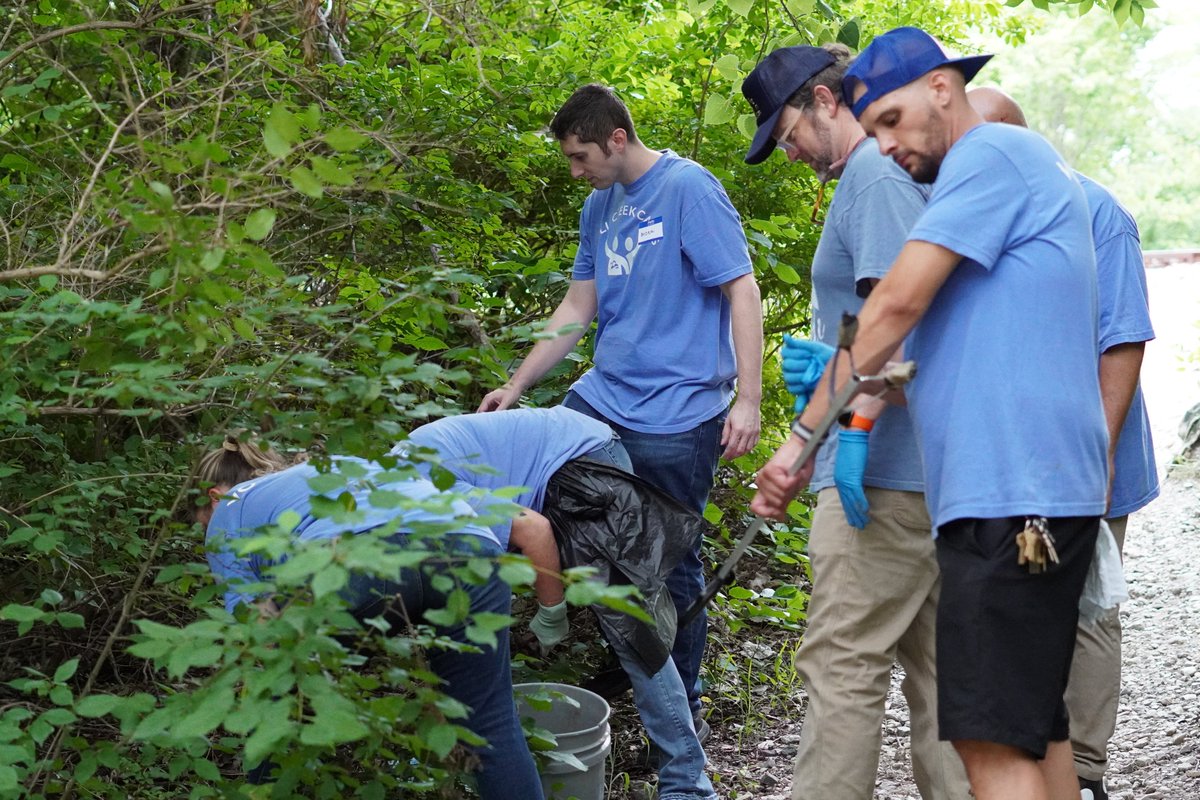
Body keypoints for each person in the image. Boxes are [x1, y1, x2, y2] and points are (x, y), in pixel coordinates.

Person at [752, 26, 1108, 800]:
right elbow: (961, 349)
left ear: (943, 88)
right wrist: (874, 387)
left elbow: (892, 307)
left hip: (1011, 491)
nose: (882, 146)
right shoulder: (1002, 170)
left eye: (890, 120)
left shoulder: (988, 156)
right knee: (1032, 731)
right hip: (1025, 488)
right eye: (871, 126)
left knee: (991, 748)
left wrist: (801, 441)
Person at [478, 83, 765, 730]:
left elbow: (741, 291)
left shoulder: (689, 189)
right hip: (603, 400)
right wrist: (518, 383)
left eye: (581, 157)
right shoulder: (599, 206)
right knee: (575, 521)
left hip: (679, 413)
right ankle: (622, 655)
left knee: (670, 562)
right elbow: (579, 306)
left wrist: (747, 400)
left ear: (616, 138)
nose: (576, 173)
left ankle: (678, 703)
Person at [741, 44, 969, 800]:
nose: (791, 152)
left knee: (841, 669)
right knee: (943, 684)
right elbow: (881, 320)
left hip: (882, 478)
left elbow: (897, 317)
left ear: (825, 101)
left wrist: (831, 430)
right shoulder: (876, 176)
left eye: (789, 133)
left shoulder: (872, 176)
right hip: (925, 472)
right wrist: (828, 366)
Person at [968, 85, 1160, 800]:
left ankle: (1083, 770)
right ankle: (1027, 757)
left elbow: (1123, 342)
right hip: (1012, 458)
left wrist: (1097, 454)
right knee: (1023, 597)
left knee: (1085, 603)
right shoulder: (977, 211)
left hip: (1089, 452)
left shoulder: (1098, 211)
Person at [198, 436, 547, 800]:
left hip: (359, 558)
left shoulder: (230, 507)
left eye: (200, 523)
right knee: (489, 721)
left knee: (274, 690)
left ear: (213, 497)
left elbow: (261, 637)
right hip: (474, 547)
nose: (205, 531)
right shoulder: (339, 464)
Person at [399, 407, 718, 800]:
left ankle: (688, 784)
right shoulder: (384, 493)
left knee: (632, 630)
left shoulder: (422, 496)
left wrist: (551, 611)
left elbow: (533, 529)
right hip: (547, 464)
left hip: (580, 459)